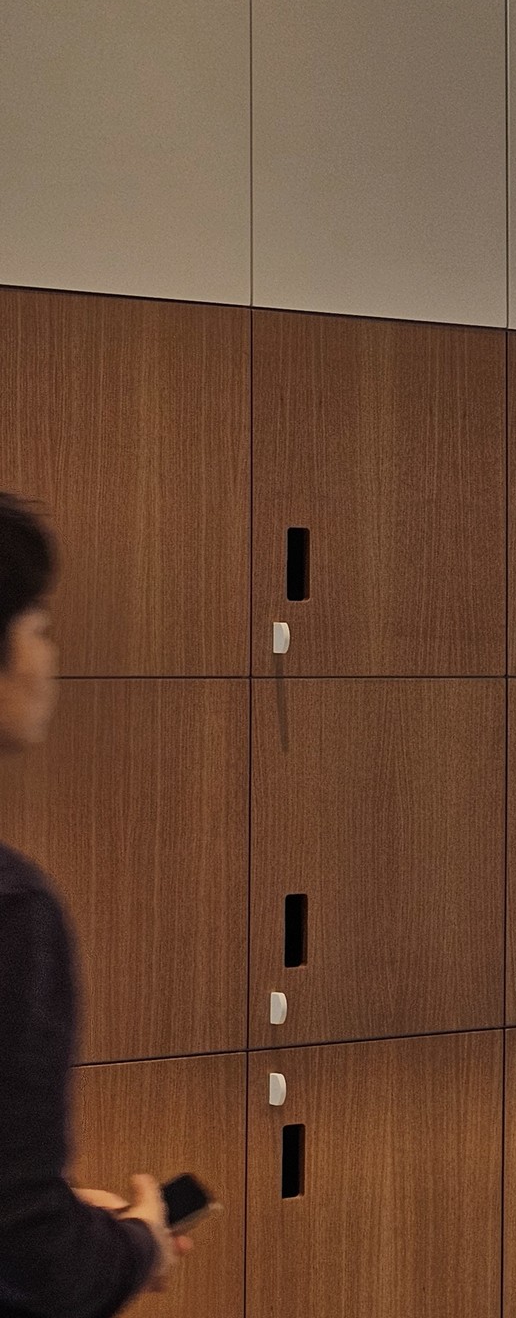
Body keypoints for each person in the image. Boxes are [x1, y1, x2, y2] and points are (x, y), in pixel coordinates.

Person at [0, 494, 189, 1317]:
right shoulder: (13, 909)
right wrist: (138, 1243)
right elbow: (37, 1260)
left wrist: (55, 1211)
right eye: (37, 627)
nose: (48, 657)